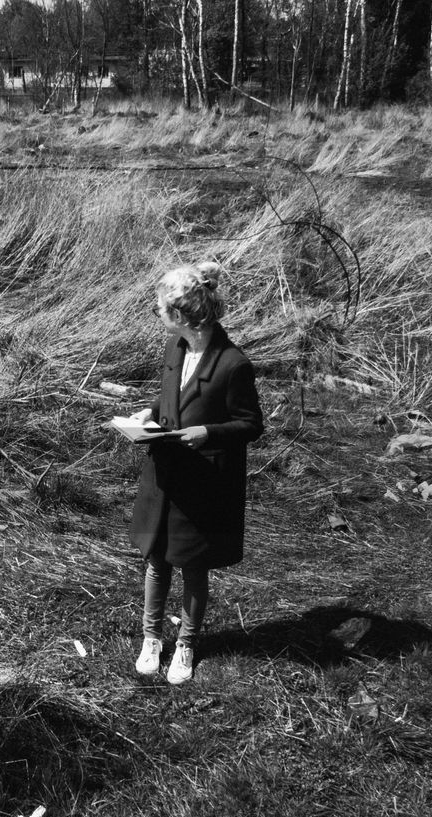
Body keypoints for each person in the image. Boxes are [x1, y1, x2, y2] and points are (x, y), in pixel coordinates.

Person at [127, 261, 263, 684]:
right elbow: (173, 394)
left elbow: (252, 425)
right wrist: (149, 411)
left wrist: (209, 432)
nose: (157, 312)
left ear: (182, 314)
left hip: (202, 483)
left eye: (160, 307)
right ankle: (152, 638)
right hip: (165, 475)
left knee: (192, 566)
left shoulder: (233, 364)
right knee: (156, 561)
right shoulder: (177, 347)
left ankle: (185, 644)